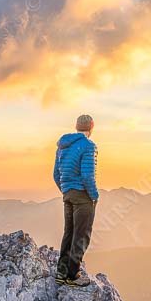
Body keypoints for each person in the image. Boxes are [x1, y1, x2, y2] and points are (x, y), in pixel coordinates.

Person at [53, 113, 99, 286]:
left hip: (68, 194)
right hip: (83, 195)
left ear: (76, 127)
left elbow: (56, 174)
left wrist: (66, 190)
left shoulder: (62, 146)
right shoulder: (88, 146)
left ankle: (61, 273)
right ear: (91, 128)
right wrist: (94, 196)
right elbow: (88, 175)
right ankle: (73, 276)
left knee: (69, 233)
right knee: (81, 235)